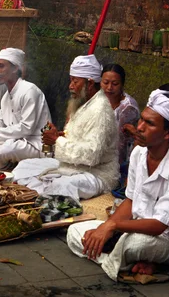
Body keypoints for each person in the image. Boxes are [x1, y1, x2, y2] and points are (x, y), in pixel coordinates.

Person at [67, 86, 169, 280]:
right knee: (74, 231)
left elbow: (159, 226)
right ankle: (120, 262)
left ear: (168, 133)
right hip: (132, 227)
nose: (140, 127)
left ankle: (119, 259)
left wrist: (112, 227)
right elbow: (130, 201)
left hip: (168, 241)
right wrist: (105, 227)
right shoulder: (138, 153)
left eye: (149, 124)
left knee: (135, 244)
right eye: (141, 119)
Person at [12, 55, 119, 201]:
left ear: (90, 83)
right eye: (71, 81)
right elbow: (79, 137)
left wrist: (57, 141)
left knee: (62, 186)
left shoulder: (100, 109)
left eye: (75, 81)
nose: (71, 86)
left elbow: (91, 155)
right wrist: (61, 135)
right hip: (72, 166)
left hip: (97, 173)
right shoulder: (84, 103)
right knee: (24, 166)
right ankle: (37, 193)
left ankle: (39, 197)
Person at [100, 63, 139, 198]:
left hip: (119, 159)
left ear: (122, 84)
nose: (109, 88)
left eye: (115, 84)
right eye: (105, 83)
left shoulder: (127, 108)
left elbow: (121, 143)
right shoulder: (99, 99)